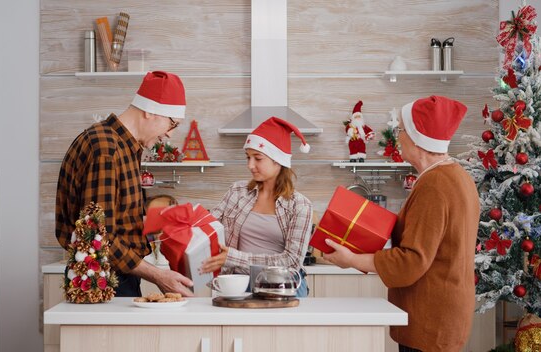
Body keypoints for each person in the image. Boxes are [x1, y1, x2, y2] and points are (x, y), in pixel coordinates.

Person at [323, 96, 480, 351]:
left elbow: (411, 261)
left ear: (418, 139)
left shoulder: (434, 185)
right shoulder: (456, 176)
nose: (398, 137)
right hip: (445, 314)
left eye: (402, 130)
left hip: (430, 319)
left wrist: (351, 259)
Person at [55, 71, 194, 297]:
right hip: (102, 282)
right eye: (172, 124)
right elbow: (98, 238)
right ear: (150, 111)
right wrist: (159, 276)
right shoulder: (107, 150)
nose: (168, 135)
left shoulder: (122, 146)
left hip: (116, 276)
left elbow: (114, 221)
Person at [199, 117, 313, 297]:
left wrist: (235, 258)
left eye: (257, 158)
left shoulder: (300, 206)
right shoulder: (237, 192)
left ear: (278, 160)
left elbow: (291, 261)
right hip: (237, 286)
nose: (250, 165)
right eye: (248, 157)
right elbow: (208, 226)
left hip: (282, 289)